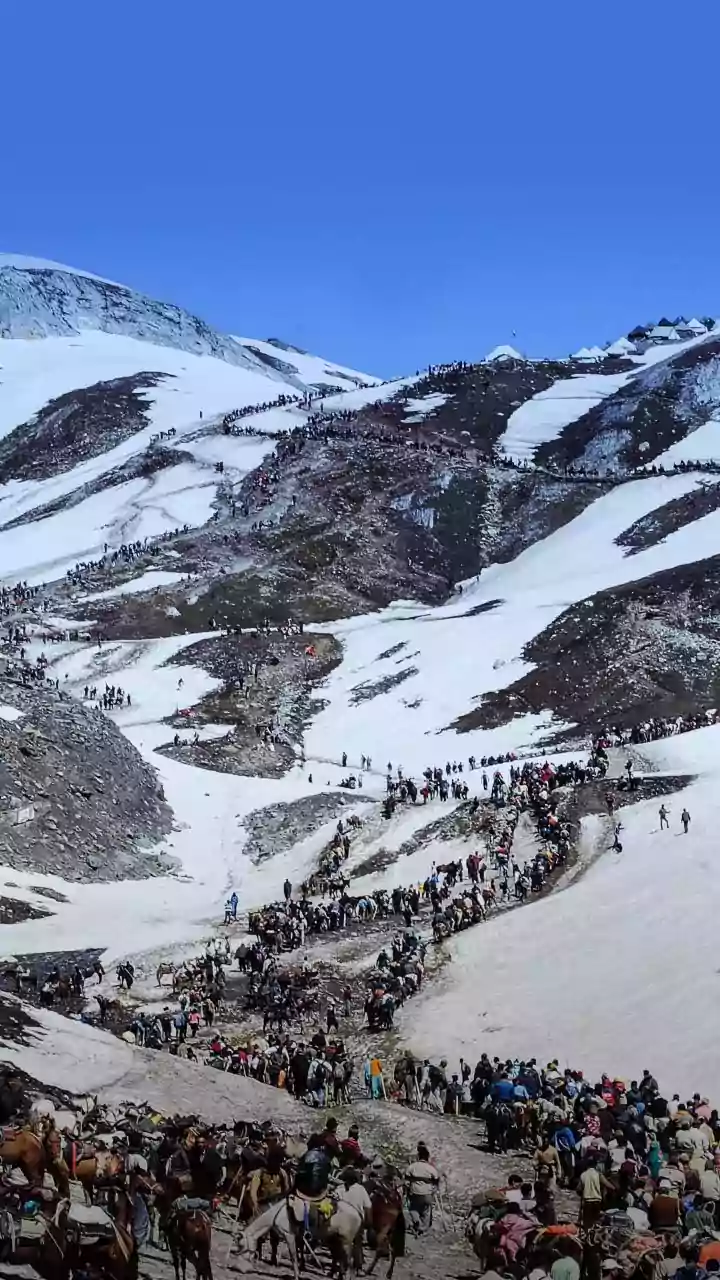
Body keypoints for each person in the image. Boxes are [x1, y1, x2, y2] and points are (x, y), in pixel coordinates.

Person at [405, 1142, 440, 1235]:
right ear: (427, 1158)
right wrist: (434, 1189)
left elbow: (407, 1180)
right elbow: (436, 1179)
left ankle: (417, 1222)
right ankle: (423, 1229)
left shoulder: (412, 1167)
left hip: (415, 1193)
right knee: (426, 1211)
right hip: (427, 1193)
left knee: (413, 1209)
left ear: (418, 1157)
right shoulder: (430, 1168)